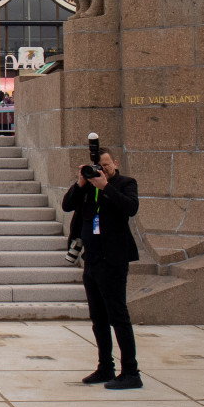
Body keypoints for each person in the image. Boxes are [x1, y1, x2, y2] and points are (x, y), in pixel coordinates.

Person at [61, 147, 142, 389]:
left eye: (106, 165)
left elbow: (131, 208)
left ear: (115, 164)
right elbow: (67, 205)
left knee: (118, 316)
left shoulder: (125, 183)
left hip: (114, 260)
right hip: (92, 259)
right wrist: (80, 182)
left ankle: (131, 372)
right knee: (98, 318)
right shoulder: (87, 188)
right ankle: (105, 366)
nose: (102, 169)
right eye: (99, 166)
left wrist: (105, 186)